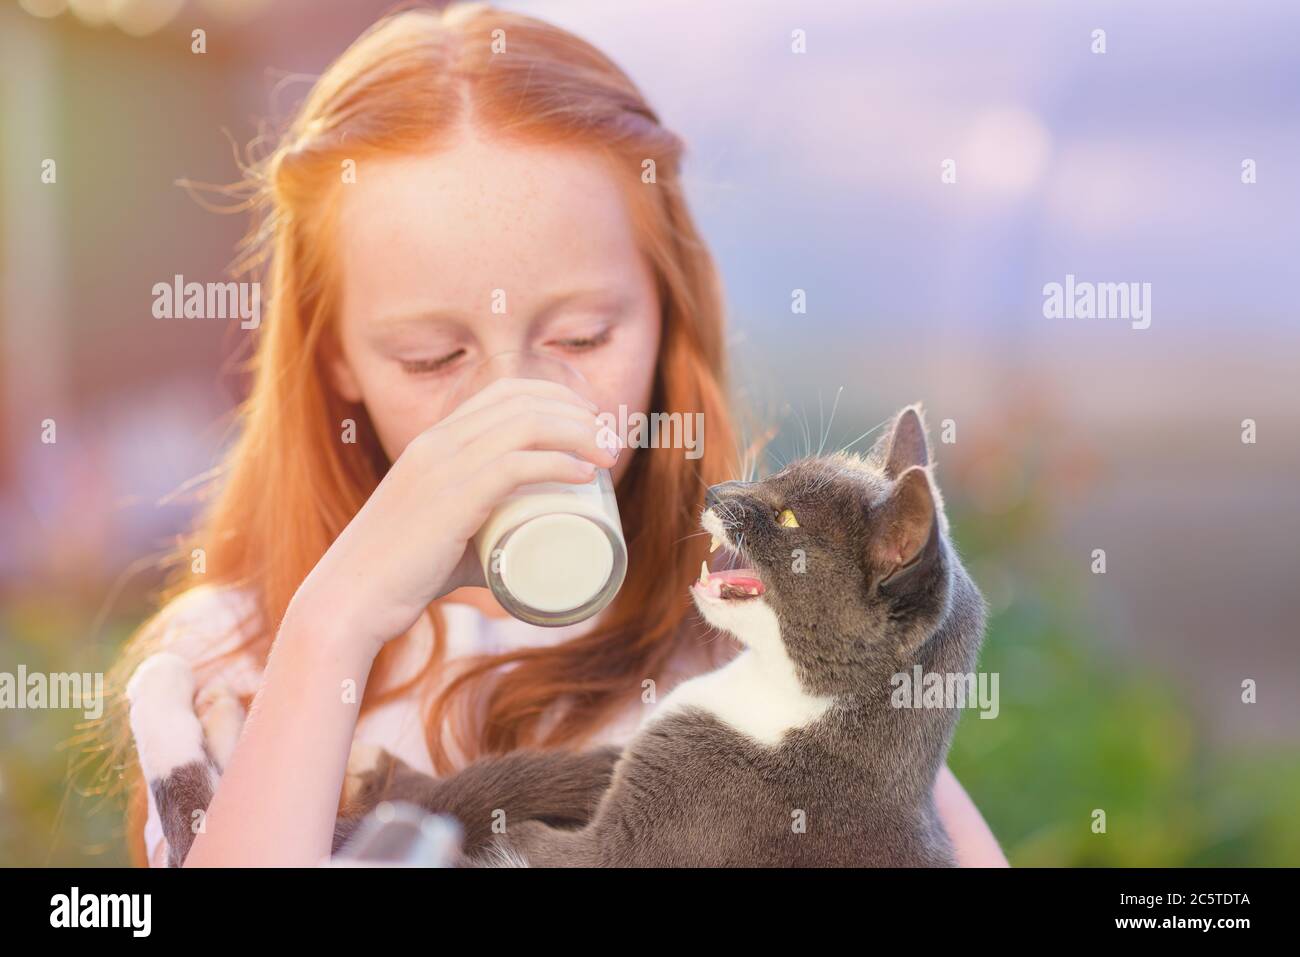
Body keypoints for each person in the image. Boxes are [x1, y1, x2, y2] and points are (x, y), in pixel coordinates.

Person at [95, 3, 1007, 867]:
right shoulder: (230, 670)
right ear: (333, 358)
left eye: (581, 338)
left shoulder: (763, 640)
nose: (514, 408)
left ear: (665, 317)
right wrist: (334, 625)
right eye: (431, 354)